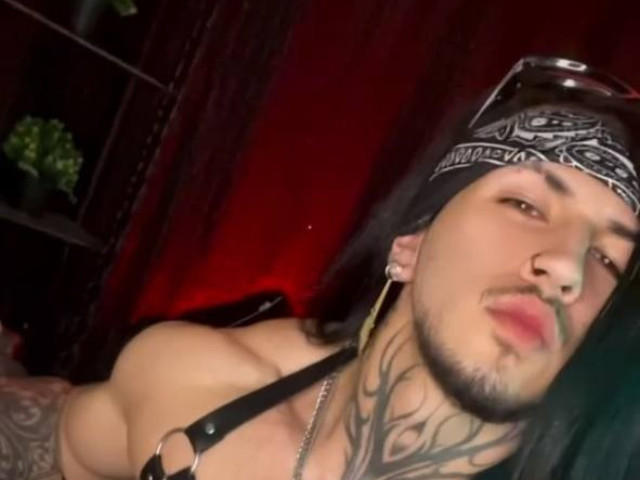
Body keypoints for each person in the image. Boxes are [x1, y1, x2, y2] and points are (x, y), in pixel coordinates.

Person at [56, 56, 640, 480]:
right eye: (525, 206)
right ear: (411, 244)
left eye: (607, 259)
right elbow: (62, 446)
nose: (566, 267)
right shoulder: (197, 385)